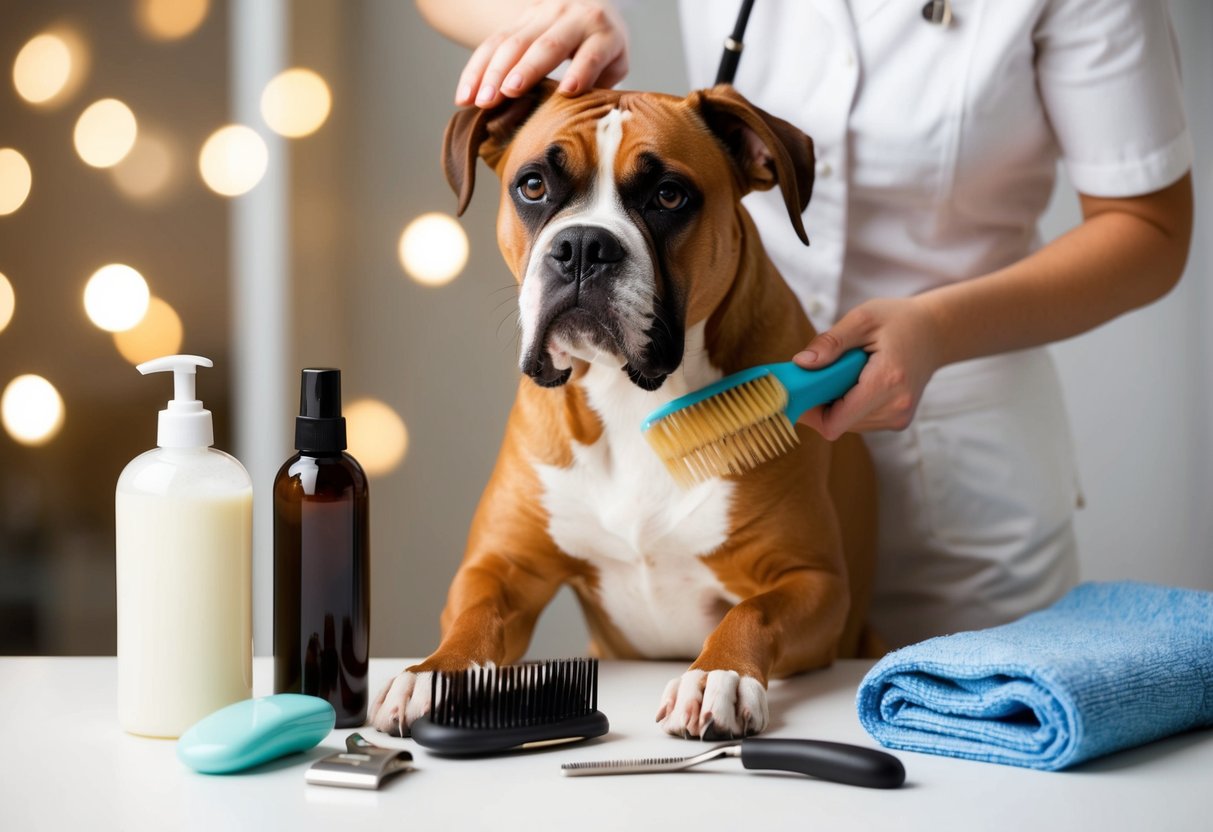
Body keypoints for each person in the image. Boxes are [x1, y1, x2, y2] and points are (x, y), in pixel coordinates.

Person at [414, 0, 1194, 646]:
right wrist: (553, 17)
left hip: (962, 467)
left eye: (664, 198)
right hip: (710, 392)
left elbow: (1149, 230)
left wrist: (938, 327)